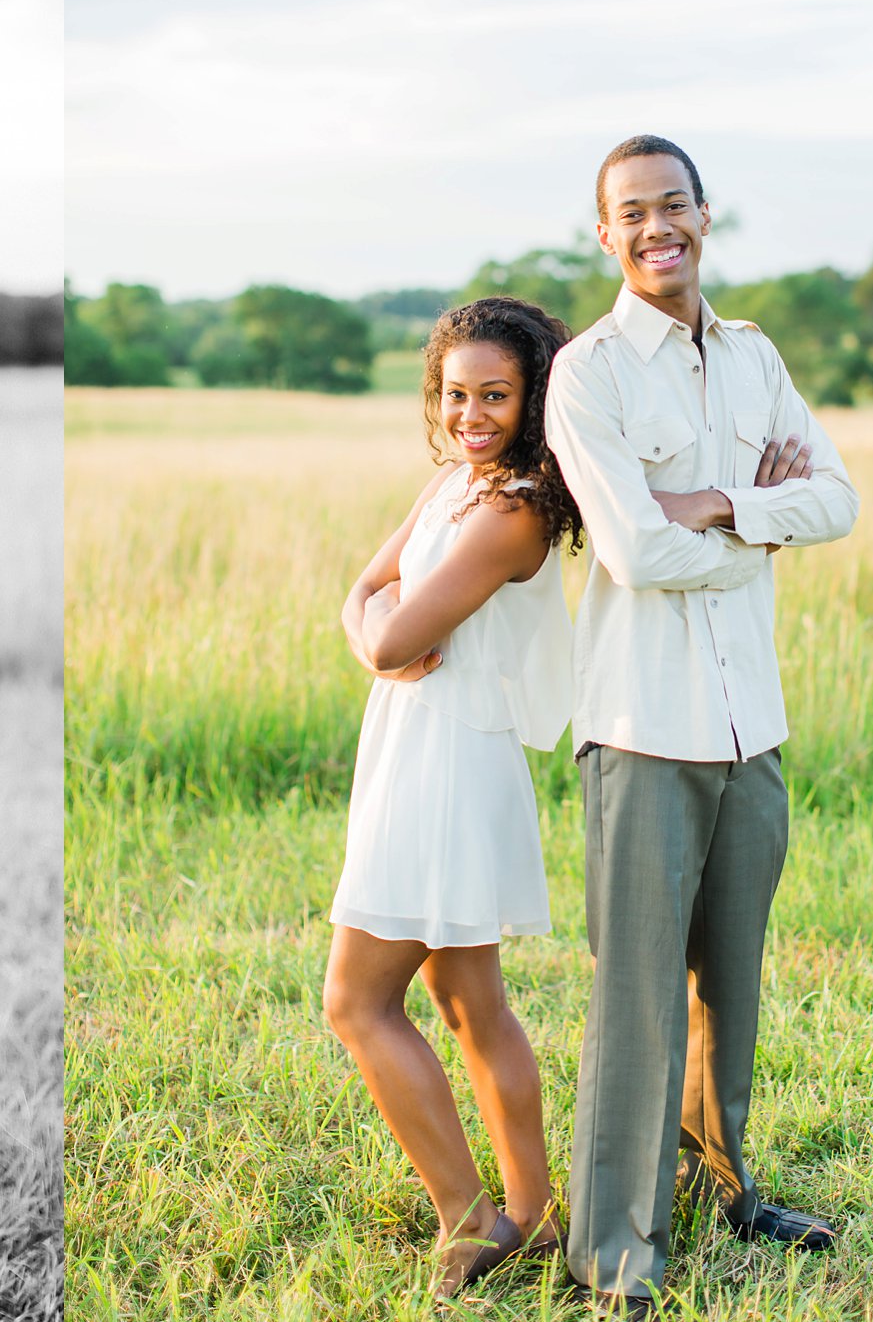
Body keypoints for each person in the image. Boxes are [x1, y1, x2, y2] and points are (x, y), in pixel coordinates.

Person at [545, 134, 857, 1313]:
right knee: (635, 998)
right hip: (639, 728)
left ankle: (726, 1185)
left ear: (703, 214)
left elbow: (836, 495)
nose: (651, 226)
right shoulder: (588, 374)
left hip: (748, 725)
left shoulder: (752, 355)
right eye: (628, 212)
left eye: (669, 203)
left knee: (730, 980)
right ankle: (612, 1249)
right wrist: (763, 533)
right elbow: (629, 545)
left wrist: (728, 501)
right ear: (604, 234)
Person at [323, 297, 583, 1299]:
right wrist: (372, 627)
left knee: (355, 1000)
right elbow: (364, 597)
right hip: (414, 746)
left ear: (533, 400)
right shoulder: (452, 482)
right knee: (466, 999)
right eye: (453, 392)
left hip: (446, 764)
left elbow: (387, 633)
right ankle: (533, 1206)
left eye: (494, 394)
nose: (470, 411)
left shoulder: (511, 507)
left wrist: (376, 631)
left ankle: (475, 1214)